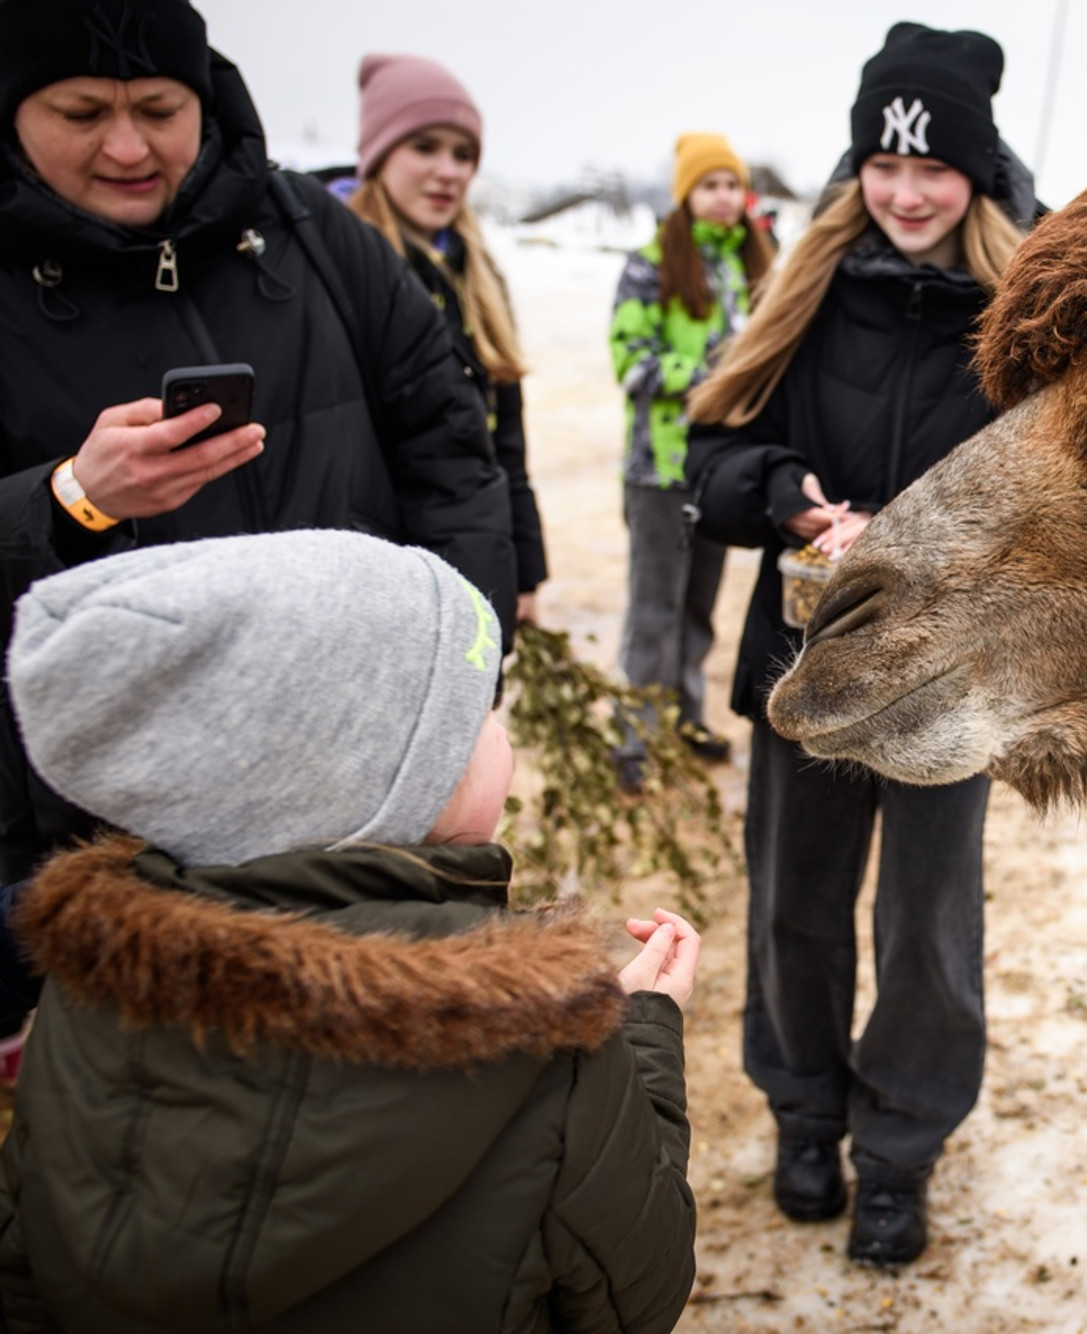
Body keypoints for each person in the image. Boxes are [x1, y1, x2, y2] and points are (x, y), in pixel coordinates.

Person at [0, 529, 700, 1330]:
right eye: (474, 717)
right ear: (386, 784)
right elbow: (636, 1295)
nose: (502, 738)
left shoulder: (81, 1001)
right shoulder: (535, 1041)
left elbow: (24, 1279)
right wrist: (641, 1032)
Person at [0, 0, 516, 892]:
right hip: (110, 836)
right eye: (82, 114)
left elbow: (451, 448)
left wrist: (461, 665)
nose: (128, 149)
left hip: (366, 786)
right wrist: (71, 498)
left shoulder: (311, 232)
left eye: (159, 112)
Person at [684, 21, 1032, 1267]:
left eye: (931, 168)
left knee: (926, 924)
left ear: (976, 175)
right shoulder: (807, 291)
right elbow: (708, 459)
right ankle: (804, 1111)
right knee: (795, 906)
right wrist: (785, 493)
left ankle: (897, 1151)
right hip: (802, 671)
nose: (903, 193)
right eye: (882, 167)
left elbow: (1074, 503)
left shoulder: (1027, 318)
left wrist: (941, 539)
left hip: (950, 684)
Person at [345, 53, 548, 629]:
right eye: (425, 147)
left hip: (468, 553)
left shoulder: (479, 277)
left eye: (463, 154)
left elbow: (505, 440)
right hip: (378, 566)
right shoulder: (341, 273)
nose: (449, 171)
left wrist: (523, 570)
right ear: (379, 154)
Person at [610, 131, 773, 770]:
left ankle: (683, 720)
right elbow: (631, 363)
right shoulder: (649, 263)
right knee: (655, 610)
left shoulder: (750, 264)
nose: (725, 197)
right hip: (659, 472)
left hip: (717, 471)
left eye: (733, 184)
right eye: (710, 185)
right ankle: (636, 739)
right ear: (685, 195)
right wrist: (714, 377)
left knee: (699, 610)